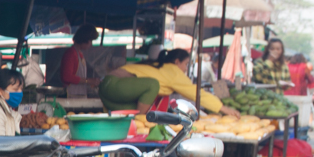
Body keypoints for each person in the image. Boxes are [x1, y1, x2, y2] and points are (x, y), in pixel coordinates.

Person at [97, 48, 241, 116]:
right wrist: (223, 108)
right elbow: (196, 93)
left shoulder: (162, 68)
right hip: (113, 85)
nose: (185, 69)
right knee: (153, 85)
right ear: (177, 62)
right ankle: (141, 119)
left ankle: (138, 120)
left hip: (106, 92)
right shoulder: (173, 71)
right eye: (185, 64)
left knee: (130, 114)